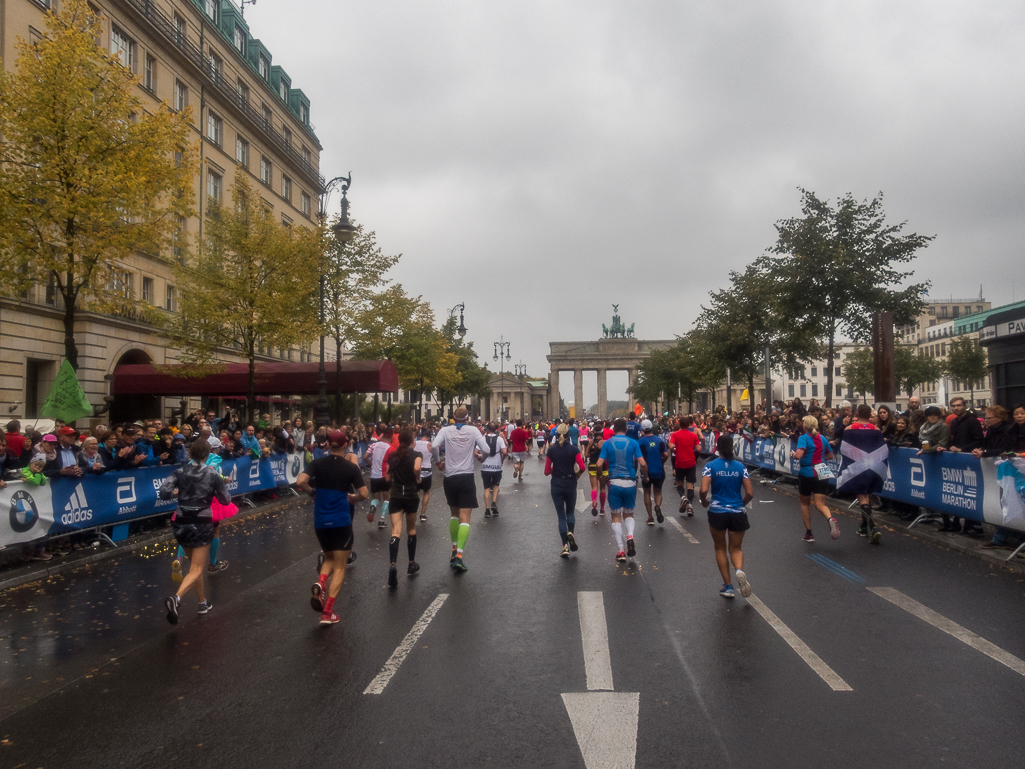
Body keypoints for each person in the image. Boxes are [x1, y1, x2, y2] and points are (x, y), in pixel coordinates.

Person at [297, 430, 368, 626]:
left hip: (321, 521)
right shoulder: (351, 467)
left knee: (328, 557)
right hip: (341, 521)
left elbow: (300, 481)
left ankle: (321, 582)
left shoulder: (317, 464)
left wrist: (313, 493)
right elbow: (364, 493)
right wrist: (354, 498)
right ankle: (327, 613)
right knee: (339, 566)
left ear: (328, 444)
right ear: (346, 444)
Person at [159, 439, 232, 624]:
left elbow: (163, 492)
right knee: (198, 568)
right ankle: (176, 598)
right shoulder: (212, 474)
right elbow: (225, 500)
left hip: (181, 521)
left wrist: (178, 492)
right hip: (201, 522)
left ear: (190, 453)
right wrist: (215, 490)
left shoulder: (179, 472)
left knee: (194, 568)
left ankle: (202, 602)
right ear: (208, 455)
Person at [432, 406, 492, 572]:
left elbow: (435, 446)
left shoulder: (445, 430)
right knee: (465, 517)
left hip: (450, 477)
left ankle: (453, 548)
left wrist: (438, 462)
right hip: (466, 476)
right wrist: (481, 457)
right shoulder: (473, 431)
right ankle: (459, 555)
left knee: (454, 514)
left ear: (453, 417)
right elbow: (486, 449)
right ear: (467, 418)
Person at [700, 436, 754, 599]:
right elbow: (750, 493)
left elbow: (703, 489)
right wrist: (741, 503)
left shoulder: (710, 466)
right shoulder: (740, 467)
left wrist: (704, 501)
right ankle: (739, 570)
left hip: (717, 511)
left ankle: (728, 586)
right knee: (736, 548)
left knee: (720, 548)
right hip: (737, 511)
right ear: (732, 447)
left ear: (717, 447)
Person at [597, 418, 646, 562]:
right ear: (626, 429)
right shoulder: (633, 442)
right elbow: (642, 463)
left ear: (613, 429)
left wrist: (600, 474)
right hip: (630, 481)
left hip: (614, 482)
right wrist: (645, 475)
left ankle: (621, 550)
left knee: (616, 517)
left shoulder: (607, 443)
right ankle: (630, 535)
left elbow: (599, 463)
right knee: (629, 515)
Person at [791, 415, 840, 542]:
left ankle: (809, 533)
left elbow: (799, 454)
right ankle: (830, 519)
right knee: (820, 504)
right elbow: (830, 456)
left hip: (807, 471)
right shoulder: (822, 438)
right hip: (822, 471)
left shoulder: (803, 438)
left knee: (805, 503)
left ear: (804, 426)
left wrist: (793, 455)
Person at [384, 428, 422, 587]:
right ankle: (411, 563)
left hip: (397, 495)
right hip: (411, 495)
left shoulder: (393, 456)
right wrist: (417, 477)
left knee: (396, 531)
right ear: (412, 441)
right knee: (411, 529)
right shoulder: (416, 455)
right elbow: (417, 468)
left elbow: (387, 477)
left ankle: (393, 564)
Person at [545, 423, 586, 557]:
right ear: (569, 435)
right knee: (570, 512)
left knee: (561, 516)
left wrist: (554, 469)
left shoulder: (551, 450)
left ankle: (564, 546)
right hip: (570, 482)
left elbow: (546, 471)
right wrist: (577, 474)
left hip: (556, 482)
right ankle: (571, 533)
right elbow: (582, 467)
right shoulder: (574, 450)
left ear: (556, 436)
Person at [637, 420, 668, 525]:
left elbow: (637, 458)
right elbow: (666, 454)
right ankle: (657, 506)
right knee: (658, 491)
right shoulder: (660, 440)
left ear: (642, 430)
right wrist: (662, 462)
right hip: (659, 469)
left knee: (646, 492)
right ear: (651, 428)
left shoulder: (640, 442)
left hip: (646, 470)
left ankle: (650, 517)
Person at [668, 416, 701, 516]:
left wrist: (675, 450)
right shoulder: (693, 435)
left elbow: (670, 445)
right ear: (688, 425)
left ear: (680, 424)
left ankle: (683, 497)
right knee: (690, 485)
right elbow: (699, 448)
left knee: (679, 483)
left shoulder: (675, 434)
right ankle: (690, 507)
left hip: (679, 462)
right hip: (691, 462)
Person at [364, 425, 392, 529]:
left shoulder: (374, 445)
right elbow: (392, 463)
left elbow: (364, 457)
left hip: (374, 476)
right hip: (385, 476)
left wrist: (371, 464)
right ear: (391, 436)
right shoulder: (390, 448)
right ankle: (381, 520)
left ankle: (373, 507)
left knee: (376, 498)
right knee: (386, 498)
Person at [477, 422, 506, 518]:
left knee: (486, 488)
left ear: (487, 429)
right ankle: (494, 502)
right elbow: (504, 451)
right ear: (496, 429)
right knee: (496, 485)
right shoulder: (499, 439)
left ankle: (487, 510)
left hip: (485, 467)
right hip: (497, 466)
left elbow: (475, 452)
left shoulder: (482, 439)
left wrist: (479, 457)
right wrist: (502, 460)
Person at [586, 426, 608, 517]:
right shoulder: (605, 443)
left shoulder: (591, 442)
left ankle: (594, 502)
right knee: (602, 488)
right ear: (602, 433)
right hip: (603, 466)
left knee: (594, 487)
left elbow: (587, 455)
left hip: (592, 466)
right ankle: (602, 509)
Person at [414, 429, 434, 522]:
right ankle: (423, 514)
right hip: (426, 470)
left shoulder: (414, 443)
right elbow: (435, 454)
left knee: (416, 491)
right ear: (429, 437)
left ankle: (413, 512)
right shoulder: (430, 445)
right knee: (426, 492)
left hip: (416, 469)